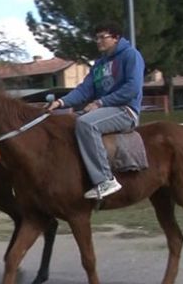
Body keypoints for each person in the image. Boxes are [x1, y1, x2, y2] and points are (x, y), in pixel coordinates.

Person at [47, 21, 144, 199]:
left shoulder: (131, 55)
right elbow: (84, 90)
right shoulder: (99, 64)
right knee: (64, 124)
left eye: (102, 37)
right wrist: (61, 102)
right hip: (104, 110)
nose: (98, 41)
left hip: (125, 111)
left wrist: (100, 103)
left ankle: (105, 180)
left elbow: (132, 88)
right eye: (96, 38)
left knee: (86, 124)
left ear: (116, 38)